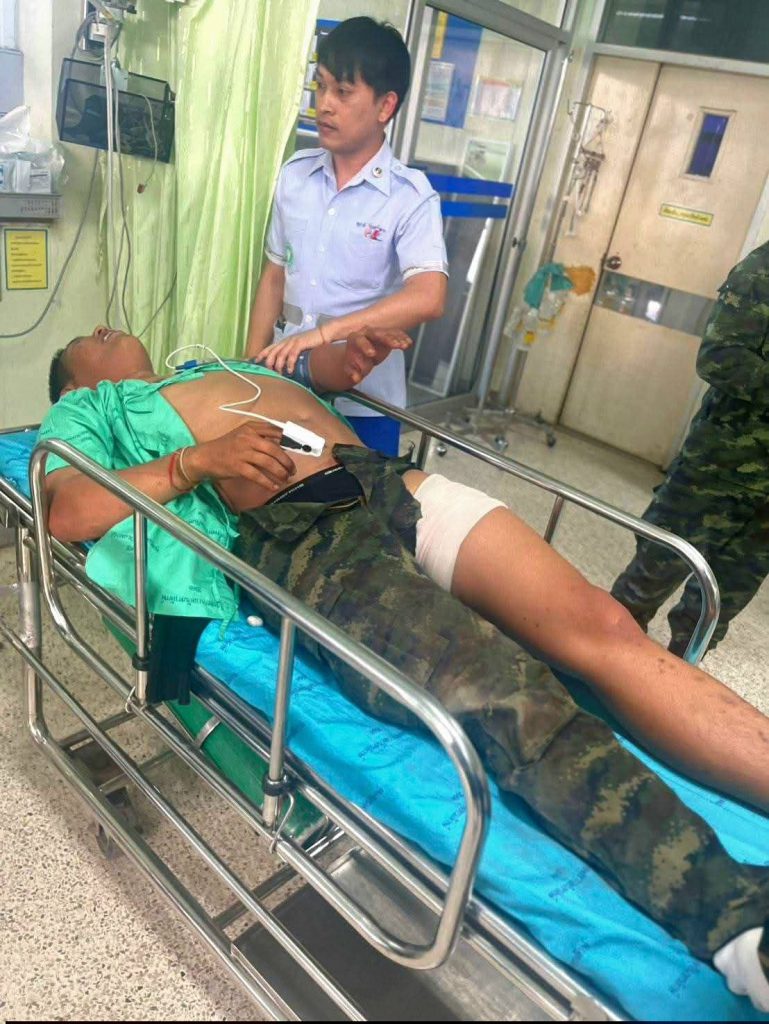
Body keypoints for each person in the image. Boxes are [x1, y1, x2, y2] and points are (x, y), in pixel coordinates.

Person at [41, 325, 769, 1010]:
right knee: (503, 691)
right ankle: (732, 917)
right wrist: (192, 462)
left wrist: (347, 357)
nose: (106, 329)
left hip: (395, 482)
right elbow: (67, 509)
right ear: (75, 384)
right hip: (303, 521)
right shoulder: (92, 411)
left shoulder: (213, 362)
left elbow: (319, 376)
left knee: (606, 630)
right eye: (87, 338)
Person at [245, 17, 448, 456]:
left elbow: (429, 296)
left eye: (343, 91)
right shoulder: (295, 176)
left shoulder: (409, 197)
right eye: (320, 86)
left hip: (365, 404)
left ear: (385, 106)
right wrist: (251, 368)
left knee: (361, 497)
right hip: (286, 385)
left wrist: (326, 335)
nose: (325, 105)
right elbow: (274, 276)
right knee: (272, 490)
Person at [612, 241, 769, 655]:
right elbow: (720, 357)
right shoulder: (762, 269)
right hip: (717, 472)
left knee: (712, 614)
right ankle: (584, 678)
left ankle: (670, 684)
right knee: (643, 586)